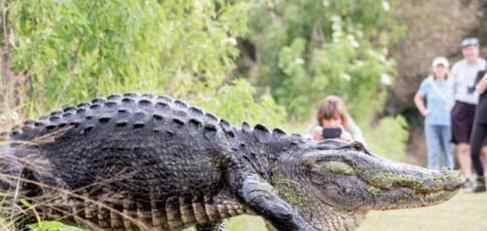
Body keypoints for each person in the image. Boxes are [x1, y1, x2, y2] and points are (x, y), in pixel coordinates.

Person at [450, 37, 486, 190]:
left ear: (477, 49)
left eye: (472, 48)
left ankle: (483, 178)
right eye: (466, 49)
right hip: (461, 107)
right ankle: (467, 178)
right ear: (463, 51)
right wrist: (451, 108)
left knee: (483, 148)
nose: (469, 52)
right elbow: (450, 89)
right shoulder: (457, 67)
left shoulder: (484, 65)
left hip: (481, 108)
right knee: (463, 146)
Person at [414, 57, 454, 170]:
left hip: (448, 122)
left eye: (443, 67)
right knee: (433, 151)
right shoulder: (428, 83)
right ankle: (432, 177)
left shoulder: (452, 83)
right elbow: (418, 98)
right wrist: (424, 111)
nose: (440, 70)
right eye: (438, 67)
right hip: (432, 122)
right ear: (434, 69)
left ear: (447, 69)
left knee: (448, 151)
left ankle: (449, 177)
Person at [470, 70, 487, 192]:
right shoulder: (481, 73)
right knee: (474, 152)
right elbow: (479, 90)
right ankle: (481, 181)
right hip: (481, 118)